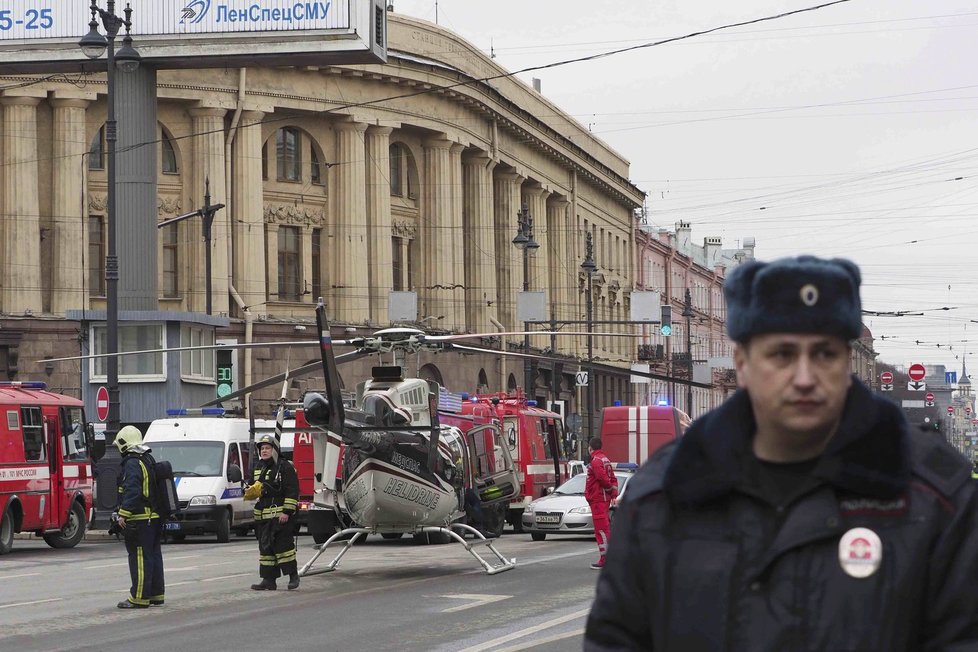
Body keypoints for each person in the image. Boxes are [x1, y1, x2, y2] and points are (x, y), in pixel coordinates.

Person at [585, 255, 978, 651]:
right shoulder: (666, 493)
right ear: (743, 363)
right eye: (782, 355)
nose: (804, 378)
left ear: (847, 364)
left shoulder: (934, 496)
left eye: (824, 354)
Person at [114, 425, 165, 609]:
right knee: (153, 556)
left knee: (140, 558)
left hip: (140, 519)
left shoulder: (132, 462)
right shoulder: (147, 458)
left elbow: (132, 490)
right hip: (154, 516)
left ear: (123, 444)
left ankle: (139, 597)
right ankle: (156, 594)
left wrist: (123, 514)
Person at [246, 434, 300, 590]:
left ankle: (293, 577)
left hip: (280, 516)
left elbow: (292, 491)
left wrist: (287, 512)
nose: (264, 451)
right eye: (262, 448)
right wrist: (248, 491)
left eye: (267, 448)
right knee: (266, 549)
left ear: (275, 450)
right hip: (263, 517)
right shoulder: (258, 467)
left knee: (284, 548)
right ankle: (269, 580)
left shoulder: (285, 467)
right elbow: (251, 486)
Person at [584, 437, 617, 570]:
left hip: (598, 499)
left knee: (601, 530)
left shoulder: (596, 461)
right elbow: (613, 478)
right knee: (605, 528)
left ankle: (605, 559)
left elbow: (602, 478)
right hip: (602, 499)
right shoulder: (605, 460)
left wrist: (608, 489)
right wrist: (613, 493)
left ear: (590, 448)